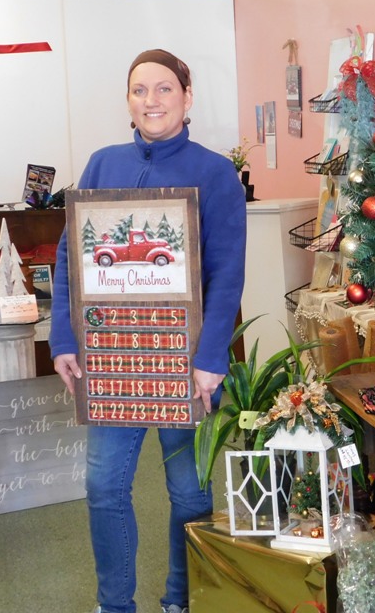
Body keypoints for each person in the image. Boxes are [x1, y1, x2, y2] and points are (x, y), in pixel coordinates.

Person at [49, 49, 247, 613]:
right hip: (112, 361)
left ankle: (181, 600)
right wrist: (63, 339)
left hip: (186, 362)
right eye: (140, 90)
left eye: (164, 89)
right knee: (103, 486)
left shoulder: (215, 172)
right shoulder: (101, 165)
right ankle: (115, 606)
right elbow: (70, 259)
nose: (151, 100)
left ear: (187, 97)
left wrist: (211, 357)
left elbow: (227, 274)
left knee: (188, 490)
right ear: (128, 100)